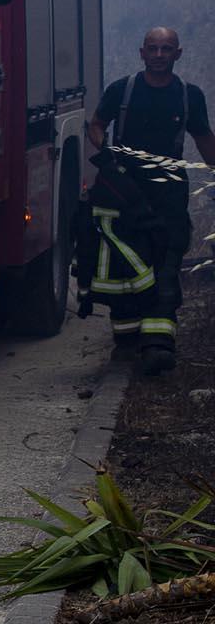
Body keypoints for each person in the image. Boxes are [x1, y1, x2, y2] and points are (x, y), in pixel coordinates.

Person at [83, 26, 215, 374]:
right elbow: (95, 125)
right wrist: (106, 151)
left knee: (167, 262)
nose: (159, 55)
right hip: (125, 193)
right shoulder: (121, 90)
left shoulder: (189, 96)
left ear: (178, 54)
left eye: (166, 49)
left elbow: (203, 138)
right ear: (142, 53)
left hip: (169, 194)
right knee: (127, 265)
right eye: (153, 49)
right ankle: (126, 340)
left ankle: (158, 344)